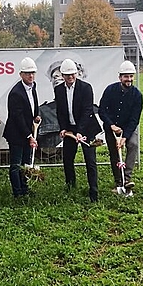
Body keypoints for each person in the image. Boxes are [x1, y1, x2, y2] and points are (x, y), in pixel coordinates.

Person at [55, 58, 102, 202]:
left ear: (77, 73)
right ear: (62, 75)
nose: (70, 77)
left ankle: (93, 191)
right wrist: (63, 128)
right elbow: (60, 111)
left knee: (90, 160)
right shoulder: (58, 90)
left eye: (73, 74)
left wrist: (80, 132)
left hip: (87, 128)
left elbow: (88, 111)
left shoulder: (86, 88)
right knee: (67, 159)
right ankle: (70, 186)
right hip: (70, 129)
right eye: (67, 75)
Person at [98, 60, 143, 194]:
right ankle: (119, 181)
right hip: (111, 127)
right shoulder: (110, 90)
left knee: (133, 144)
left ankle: (127, 178)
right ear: (120, 77)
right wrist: (111, 125)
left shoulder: (137, 95)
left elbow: (135, 118)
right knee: (114, 153)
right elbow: (102, 110)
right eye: (126, 76)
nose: (128, 79)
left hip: (128, 127)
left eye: (131, 76)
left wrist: (125, 137)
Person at [2, 57, 41, 198]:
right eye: (27, 73)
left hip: (27, 132)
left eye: (33, 72)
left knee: (26, 163)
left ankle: (25, 188)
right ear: (21, 75)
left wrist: (36, 115)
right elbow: (17, 118)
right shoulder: (16, 93)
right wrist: (29, 136)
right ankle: (17, 193)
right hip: (16, 134)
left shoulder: (33, 86)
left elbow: (32, 107)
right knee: (16, 165)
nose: (31, 76)